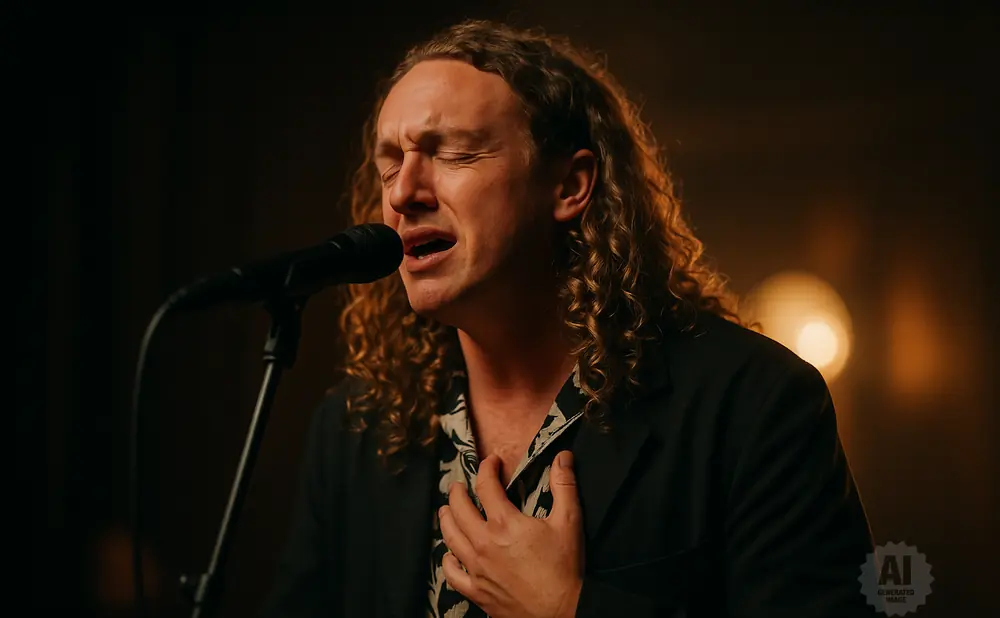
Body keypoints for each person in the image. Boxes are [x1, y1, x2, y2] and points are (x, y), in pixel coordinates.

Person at [261, 19, 879, 618]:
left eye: (452, 152)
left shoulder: (752, 403)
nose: (402, 193)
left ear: (570, 186)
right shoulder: (355, 428)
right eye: (391, 162)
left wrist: (568, 608)